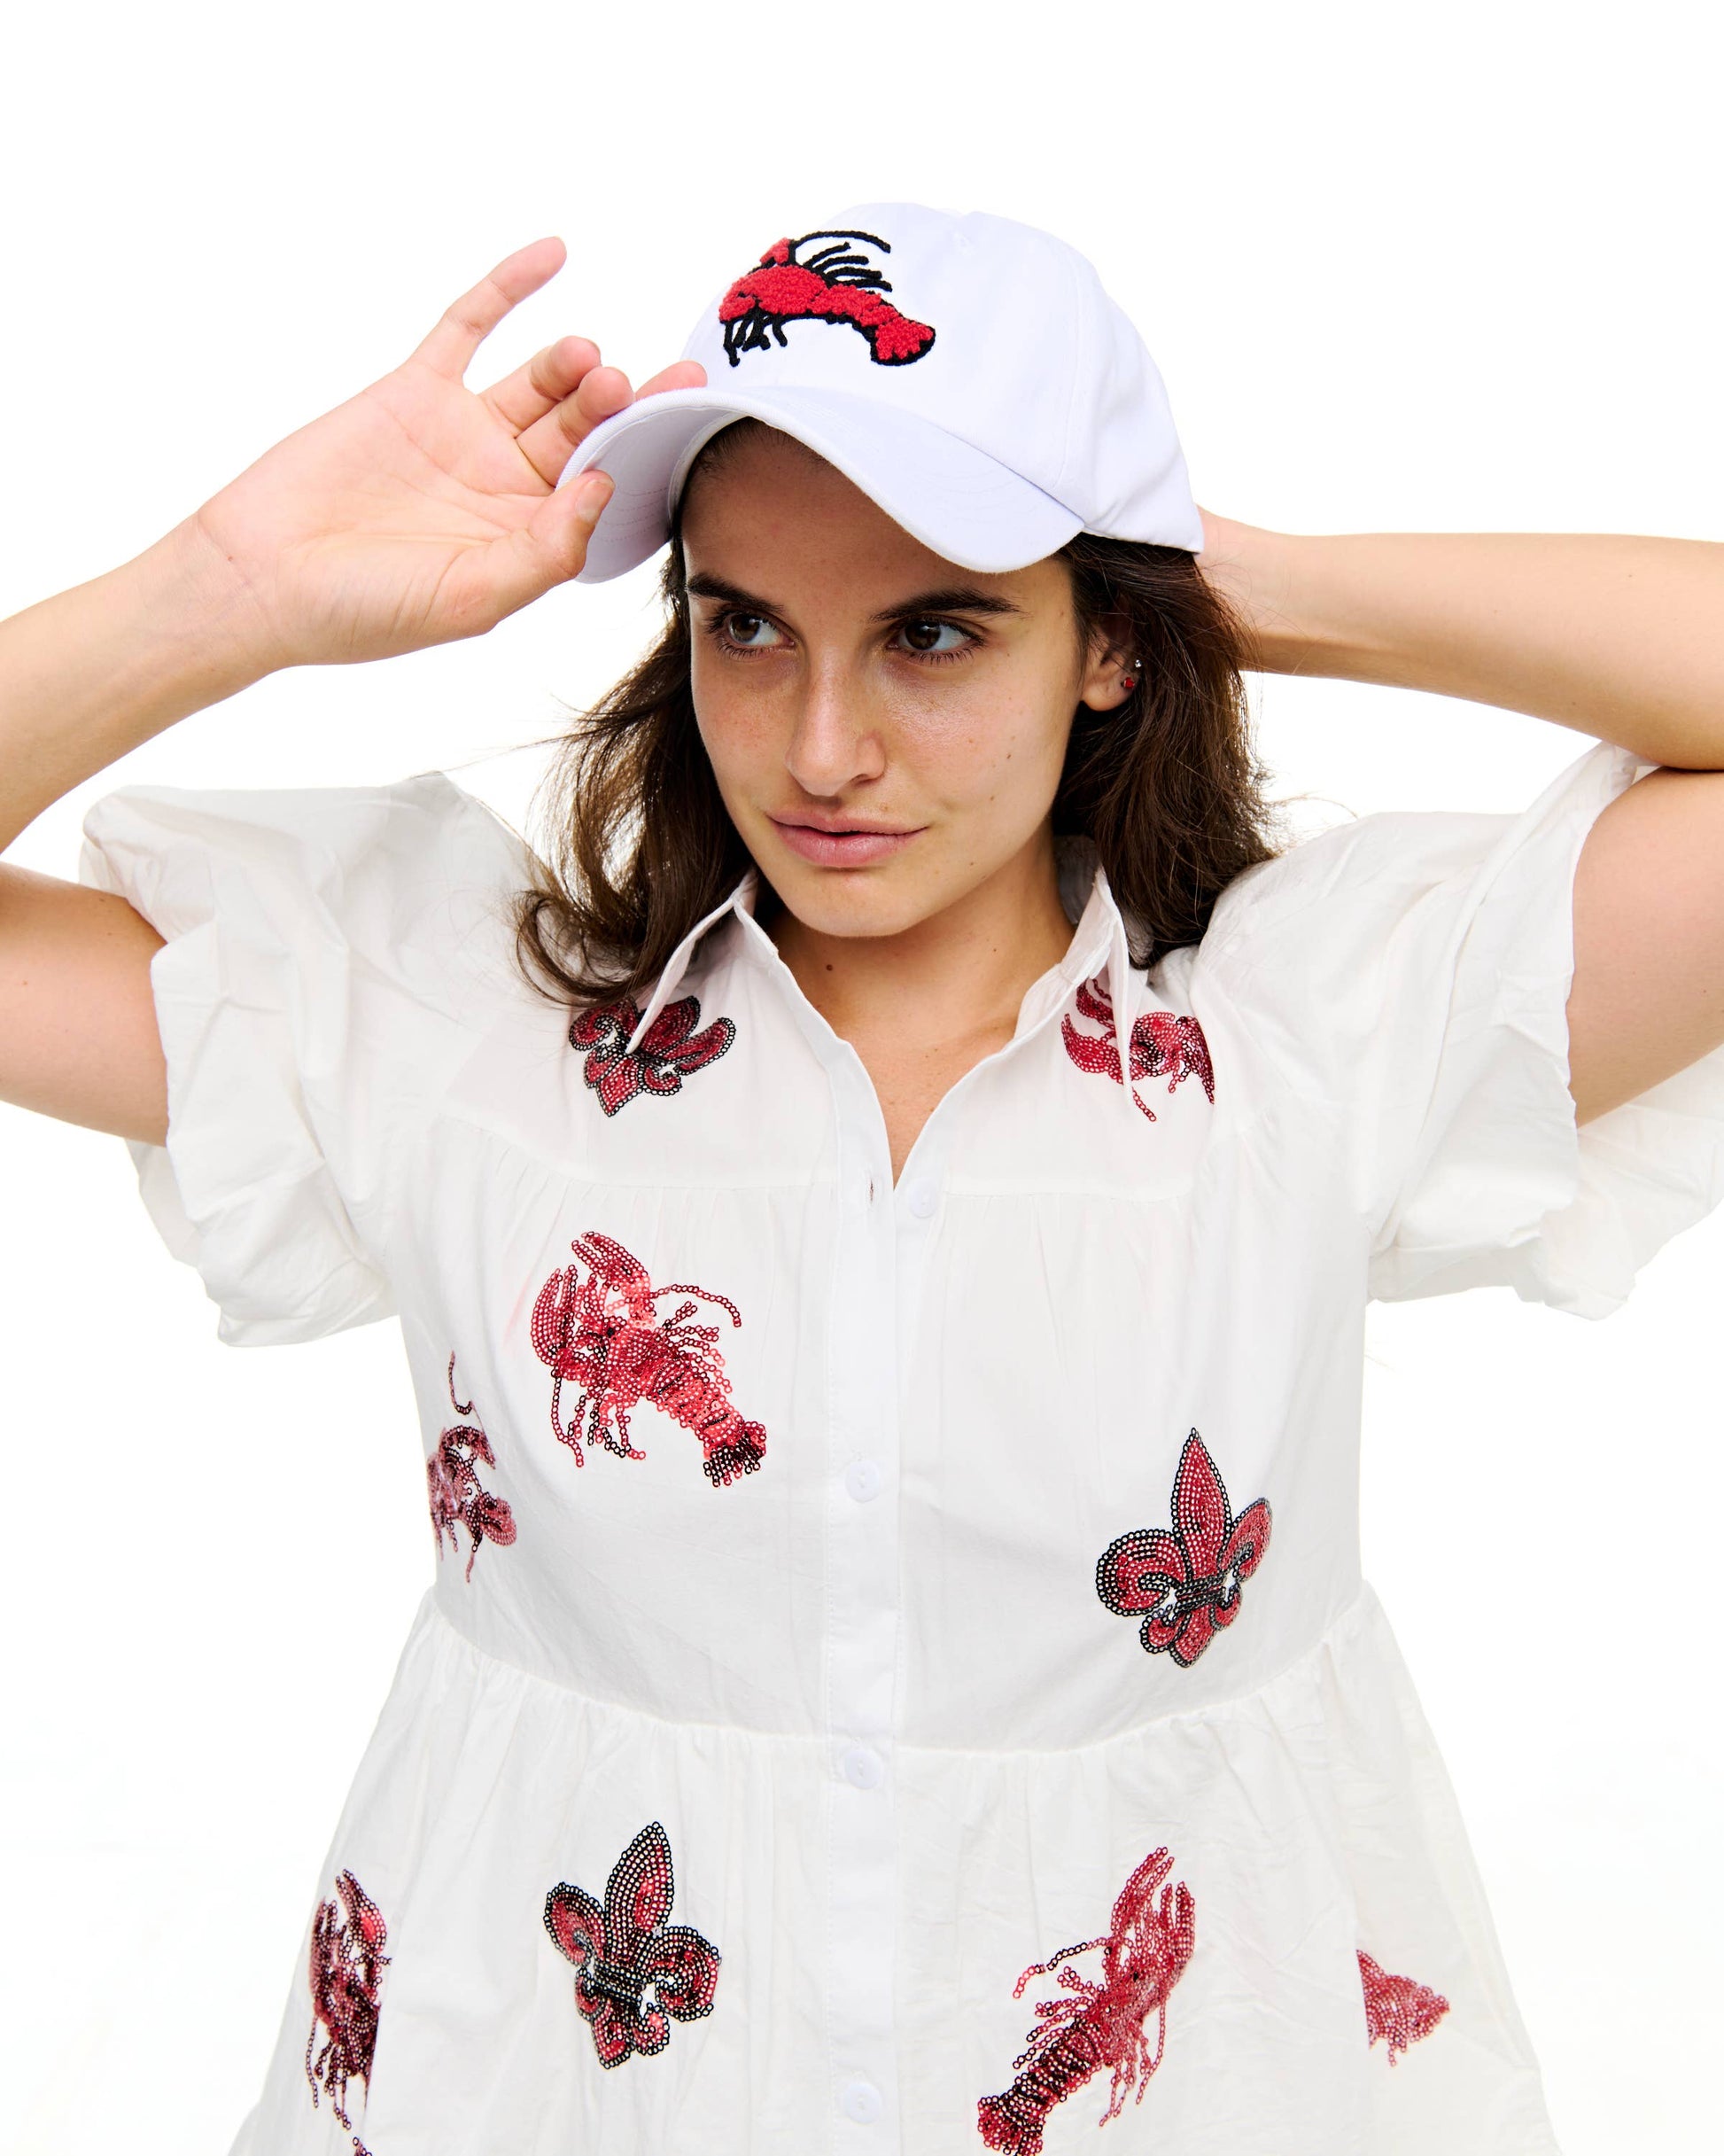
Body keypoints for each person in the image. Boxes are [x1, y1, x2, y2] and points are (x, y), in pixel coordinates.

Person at [3, 202, 1722, 2155]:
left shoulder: (1302, 1052)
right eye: (746, 623)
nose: (821, 748)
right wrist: (222, 592)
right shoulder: (460, 1042)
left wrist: (1220, 575)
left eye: (932, 629)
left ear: (1105, 644)